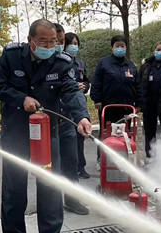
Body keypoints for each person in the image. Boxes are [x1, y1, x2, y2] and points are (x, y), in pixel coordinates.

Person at [0, 19, 92, 233]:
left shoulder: (62, 61)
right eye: (44, 42)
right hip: (16, 132)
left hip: (48, 133)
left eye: (53, 42)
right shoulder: (12, 56)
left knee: (50, 186)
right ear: (31, 41)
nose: (49, 46)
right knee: (14, 186)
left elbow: (71, 90)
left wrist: (82, 117)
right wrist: (21, 98)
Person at [91, 35, 142, 165]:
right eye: (117, 46)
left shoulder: (131, 65)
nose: (120, 48)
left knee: (124, 133)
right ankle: (101, 160)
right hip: (108, 106)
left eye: (122, 46)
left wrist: (139, 103)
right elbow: (96, 82)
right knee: (106, 133)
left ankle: (124, 160)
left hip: (126, 106)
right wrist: (97, 99)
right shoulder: (104, 63)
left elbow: (138, 85)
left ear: (126, 47)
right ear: (112, 47)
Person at [55, 24, 89, 215]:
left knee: (70, 162)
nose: (58, 45)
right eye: (57, 41)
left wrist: (82, 117)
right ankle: (51, 204)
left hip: (67, 120)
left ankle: (72, 199)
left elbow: (72, 90)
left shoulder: (67, 63)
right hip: (47, 123)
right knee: (51, 167)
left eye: (61, 41)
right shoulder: (40, 65)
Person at [64, 32, 91, 179]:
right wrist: (74, 86)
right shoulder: (61, 63)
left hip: (80, 104)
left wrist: (84, 86)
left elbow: (86, 80)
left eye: (75, 44)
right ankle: (70, 168)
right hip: (66, 106)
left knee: (80, 137)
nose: (73, 46)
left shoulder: (80, 63)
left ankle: (81, 167)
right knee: (69, 139)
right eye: (70, 44)